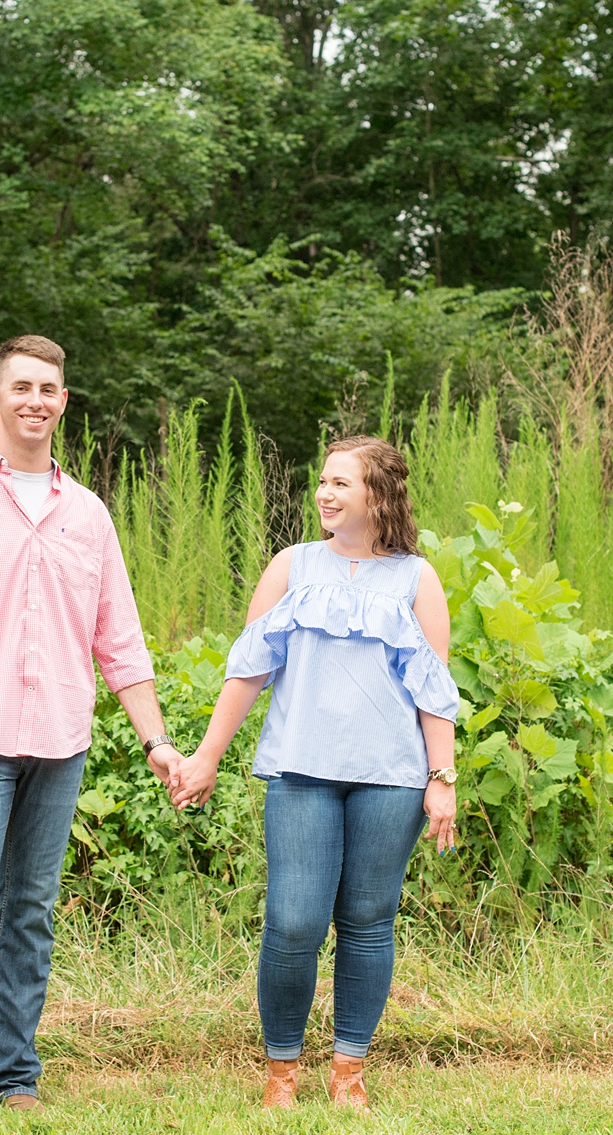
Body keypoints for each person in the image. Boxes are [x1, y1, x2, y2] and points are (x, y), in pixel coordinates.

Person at [0, 335, 183, 1134]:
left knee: (32, 908)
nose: (35, 400)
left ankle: (12, 1071)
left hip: (60, 740)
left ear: (63, 400)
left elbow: (120, 641)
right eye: (21, 386)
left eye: (49, 388)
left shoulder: (86, 513)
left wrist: (157, 742)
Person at [170, 434, 460, 1113]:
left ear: (377, 495)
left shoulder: (417, 578)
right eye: (322, 481)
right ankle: (281, 1072)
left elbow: (432, 687)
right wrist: (207, 754)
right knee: (294, 919)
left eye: (340, 483)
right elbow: (249, 668)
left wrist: (441, 776)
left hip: (390, 777)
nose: (324, 494)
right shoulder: (292, 567)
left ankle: (349, 1070)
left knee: (367, 918)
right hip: (302, 768)